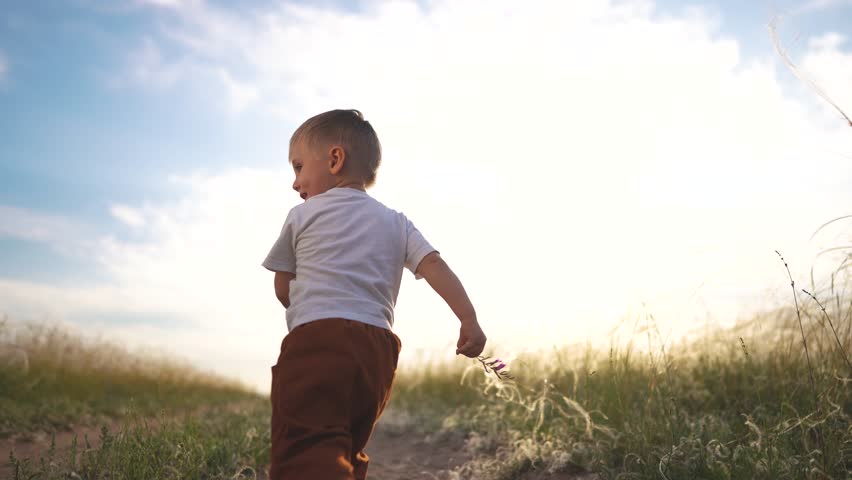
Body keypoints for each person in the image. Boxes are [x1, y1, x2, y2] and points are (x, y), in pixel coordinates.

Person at [262, 109, 487, 479]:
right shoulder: (397, 222)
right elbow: (434, 266)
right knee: (348, 441)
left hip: (317, 340)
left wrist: (300, 303)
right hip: (377, 351)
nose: (295, 182)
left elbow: (282, 287)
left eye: (299, 167)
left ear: (335, 159)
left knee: (305, 442)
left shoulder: (301, 215)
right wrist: (468, 318)